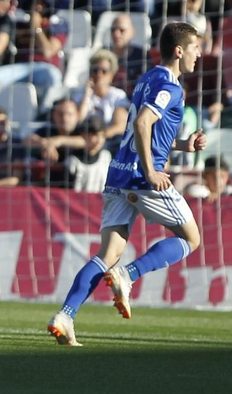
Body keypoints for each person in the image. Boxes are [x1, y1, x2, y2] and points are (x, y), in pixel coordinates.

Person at [48, 23, 209, 347]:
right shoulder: (171, 87)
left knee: (108, 253)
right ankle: (129, 275)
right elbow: (141, 123)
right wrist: (151, 170)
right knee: (191, 239)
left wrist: (182, 146)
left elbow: (147, 131)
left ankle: (65, 316)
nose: (199, 54)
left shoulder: (148, 79)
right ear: (179, 51)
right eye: (195, 47)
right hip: (141, 177)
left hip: (119, 173)